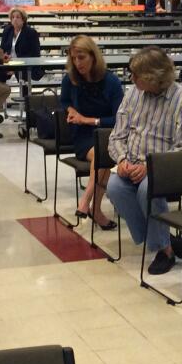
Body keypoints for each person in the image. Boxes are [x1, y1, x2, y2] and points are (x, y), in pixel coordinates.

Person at [105, 47, 182, 276]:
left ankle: (164, 251)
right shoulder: (133, 94)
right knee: (115, 187)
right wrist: (123, 159)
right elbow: (117, 136)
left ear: (153, 77)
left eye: (136, 75)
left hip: (166, 168)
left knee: (148, 190)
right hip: (132, 163)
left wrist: (150, 168)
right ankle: (165, 240)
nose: (132, 79)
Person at [59, 35, 123, 227]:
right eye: (73, 58)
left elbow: (119, 118)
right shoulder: (70, 79)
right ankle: (91, 206)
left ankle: (87, 202)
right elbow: (64, 102)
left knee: (106, 150)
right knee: (104, 154)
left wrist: (89, 120)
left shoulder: (111, 81)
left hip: (110, 133)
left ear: (93, 57)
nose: (77, 63)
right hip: (83, 136)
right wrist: (71, 111)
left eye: (81, 57)